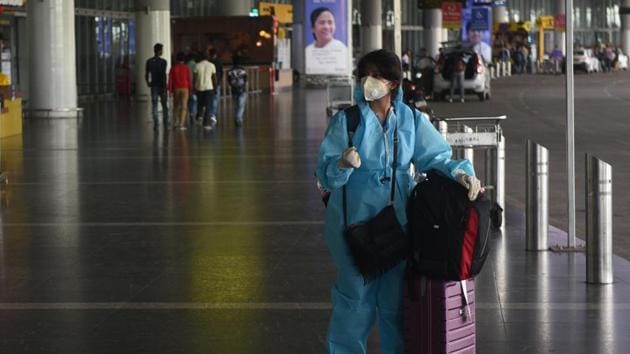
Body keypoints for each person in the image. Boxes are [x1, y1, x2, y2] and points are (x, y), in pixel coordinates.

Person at [316, 49, 480, 354]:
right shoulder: (346, 122)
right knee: (354, 302)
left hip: (399, 224)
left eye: (376, 75)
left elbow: (437, 156)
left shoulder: (412, 119)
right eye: (364, 74)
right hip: (352, 226)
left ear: (393, 83)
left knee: (395, 305)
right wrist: (340, 164)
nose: (368, 82)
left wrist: (461, 174)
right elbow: (325, 176)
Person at [305, 7, 349, 75]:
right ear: (312, 28)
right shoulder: (308, 51)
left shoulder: (341, 49)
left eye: (330, 22)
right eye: (322, 22)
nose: (326, 27)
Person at [145, 43, 168, 129]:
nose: (162, 51)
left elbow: (147, 73)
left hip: (154, 85)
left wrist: (148, 82)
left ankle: (156, 123)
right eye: (162, 49)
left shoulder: (149, 61)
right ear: (159, 51)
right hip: (161, 85)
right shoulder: (163, 62)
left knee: (154, 104)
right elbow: (163, 75)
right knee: (164, 104)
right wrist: (165, 86)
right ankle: (166, 122)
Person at [168, 52, 192, 130]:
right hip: (185, 88)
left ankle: (176, 122)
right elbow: (189, 79)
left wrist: (170, 90)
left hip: (176, 88)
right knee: (184, 106)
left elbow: (170, 80)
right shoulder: (187, 68)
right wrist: (191, 89)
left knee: (176, 106)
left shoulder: (173, 68)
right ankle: (181, 124)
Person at [194, 51, 217, 130]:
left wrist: (194, 88)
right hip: (209, 88)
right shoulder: (211, 65)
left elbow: (195, 78)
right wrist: (215, 88)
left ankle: (199, 116)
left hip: (199, 87)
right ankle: (206, 123)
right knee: (208, 106)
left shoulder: (197, 65)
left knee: (199, 104)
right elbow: (214, 78)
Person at [227, 55, 248, 127]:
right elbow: (245, 79)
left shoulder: (230, 70)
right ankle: (238, 118)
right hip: (242, 89)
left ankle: (237, 117)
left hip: (234, 89)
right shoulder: (243, 70)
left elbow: (228, 80)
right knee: (241, 105)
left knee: (236, 105)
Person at [208, 48, 224, 123]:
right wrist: (219, 81)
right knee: (215, 99)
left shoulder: (209, 62)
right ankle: (213, 115)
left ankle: (209, 114)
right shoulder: (219, 62)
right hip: (216, 83)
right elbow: (221, 72)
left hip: (209, 83)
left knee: (209, 99)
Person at [186, 52, 198, 124]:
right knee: (194, 100)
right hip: (193, 84)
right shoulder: (194, 64)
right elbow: (195, 75)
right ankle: (193, 114)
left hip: (186, 85)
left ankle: (190, 113)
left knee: (189, 100)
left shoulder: (186, 64)